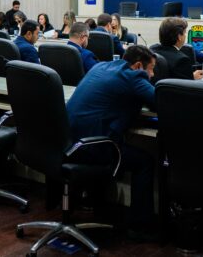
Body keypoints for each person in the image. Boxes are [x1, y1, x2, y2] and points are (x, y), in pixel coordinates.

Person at [66, 45, 157, 237]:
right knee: (145, 162)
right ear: (139, 65)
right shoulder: (134, 76)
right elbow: (159, 101)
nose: (153, 74)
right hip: (93, 147)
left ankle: (98, 203)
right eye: (151, 69)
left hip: (69, 142)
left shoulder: (101, 67)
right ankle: (140, 227)